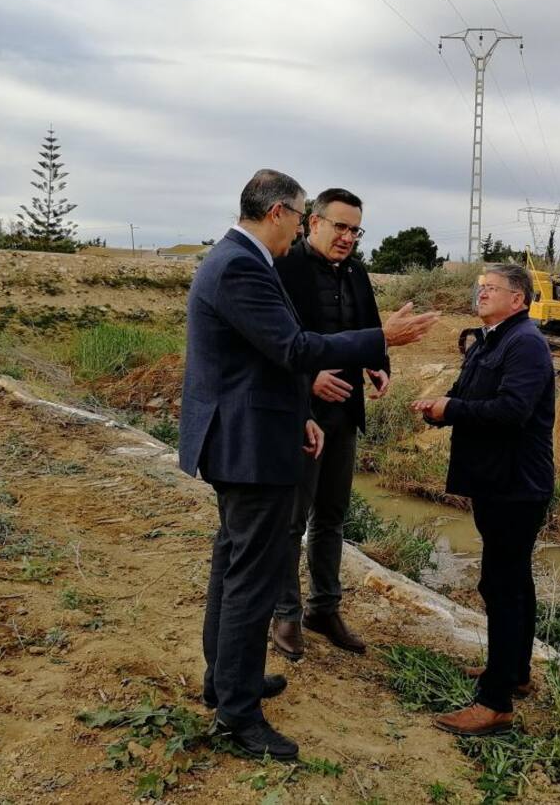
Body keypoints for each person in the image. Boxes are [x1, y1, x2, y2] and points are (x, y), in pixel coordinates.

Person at [178, 169, 438, 762]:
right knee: (252, 575)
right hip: (249, 445)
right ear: (280, 213)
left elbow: (265, 357)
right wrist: (383, 338)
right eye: (301, 216)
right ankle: (239, 717)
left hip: (255, 431)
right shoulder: (243, 265)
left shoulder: (236, 260)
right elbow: (295, 349)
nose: (300, 228)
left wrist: (301, 412)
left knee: (233, 561)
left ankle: (225, 682)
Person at [411, 263, 555, 737]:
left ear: (519, 299)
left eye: (492, 289)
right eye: (480, 289)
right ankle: (514, 673)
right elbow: (466, 397)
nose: (482, 295)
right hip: (495, 482)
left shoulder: (526, 344)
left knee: (503, 585)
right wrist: (438, 410)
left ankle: (495, 704)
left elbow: (513, 411)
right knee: (511, 582)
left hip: (517, 486)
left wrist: (452, 409)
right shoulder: (488, 340)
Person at [270, 188, 386, 659]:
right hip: (301, 416)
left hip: (345, 413)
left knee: (332, 517)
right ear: (312, 222)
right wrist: (308, 378)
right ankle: (284, 613)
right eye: (340, 226)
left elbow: (372, 330)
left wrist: (380, 365)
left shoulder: (357, 272)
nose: (348, 237)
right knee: (291, 521)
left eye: (355, 230)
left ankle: (324, 607)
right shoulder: (284, 267)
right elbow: (273, 342)